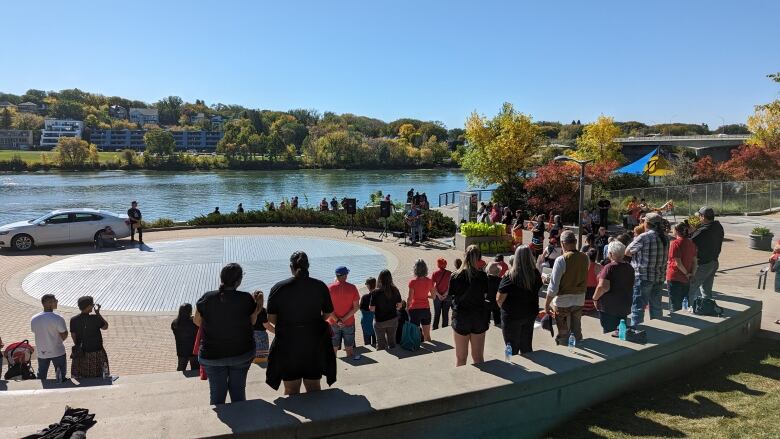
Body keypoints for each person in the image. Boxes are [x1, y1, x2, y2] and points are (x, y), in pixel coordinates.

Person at [266, 252, 336, 395]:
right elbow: (328, 314)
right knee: (314, 387)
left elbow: (272, 318)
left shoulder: (279, 288)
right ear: (308, 266)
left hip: (288, 344)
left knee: (291, 389)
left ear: (291, 267)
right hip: (313, 342)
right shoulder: (320, 286)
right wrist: (315, 322)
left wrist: (288, 324)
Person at [194, 264, 263, 404]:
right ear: (239, 281)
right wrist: (258, 306)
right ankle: (242, 421)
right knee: (238, 392)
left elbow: (197, 322)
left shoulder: (207, 298)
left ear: (221, 278)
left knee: (217, 395)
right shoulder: (246, 299)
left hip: (211, 355)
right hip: (241, 353)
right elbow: (252, 322)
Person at [544, 231, 589, 345]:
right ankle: (579, 346)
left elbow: (553, 287)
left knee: (564, 333)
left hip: (563, 301)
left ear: (563, 243)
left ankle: (566, 351)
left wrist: (546, 304)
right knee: (576, 329)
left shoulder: (561, 260)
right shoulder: (585, 257)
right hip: (579, 298)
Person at [625, 212, 669, 327]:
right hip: (659, 277)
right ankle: (658, 329)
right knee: (656, 307)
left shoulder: (644, 237)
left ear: (647, 223)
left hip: (643, 277)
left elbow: (627, 251)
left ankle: (636, 331)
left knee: (638, 308)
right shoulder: (665, 237)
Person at [497, 245, 542, 355]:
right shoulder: (535, 273)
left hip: (512, 316)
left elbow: (499, 299)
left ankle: (513, 369)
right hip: (530, 314)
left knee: (511, 348)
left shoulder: (510, 276)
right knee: (526, 346)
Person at [449, 245, 489, 366]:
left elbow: (451, 296)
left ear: (464, 256)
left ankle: (461, 384)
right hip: (478, 317)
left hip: (461, 318)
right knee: (478, 357)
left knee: (461, 358)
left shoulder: (455, 276)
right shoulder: (482, 276)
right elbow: (485, 295)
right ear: (479, 259)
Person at [593, 241, 635, 332]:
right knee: (620, 331)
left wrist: (595, 298)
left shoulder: (609, 268)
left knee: (609, 332)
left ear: (611, 254)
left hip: (609, 307)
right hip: (624, 306)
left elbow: (603, 287)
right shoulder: (630, 268)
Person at [689, 206, 725, 302]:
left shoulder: (703, 231)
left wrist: (692, 228)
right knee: (706, 291)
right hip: (713, 261)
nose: (698, 218)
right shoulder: (718, 226)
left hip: (703, 264)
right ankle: (707, 308)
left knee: (690, 289)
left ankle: (689, 311)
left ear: (703, 216)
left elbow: (689, 242)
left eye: (699, 216)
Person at [70, 296, 109, 379]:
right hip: (96, 351)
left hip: (82, 352)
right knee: (99, 376)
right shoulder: (95, 318)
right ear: (88, 307)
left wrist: (79, 345)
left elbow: (73, 335)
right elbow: (105, 326)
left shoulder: (73, 320)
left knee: (82, 376)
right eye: (92, 304)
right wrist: (98, 313)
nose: (93, 306)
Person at [31, 294, 68, 381]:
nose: (57, 302)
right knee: (61, 378)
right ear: (48, 303)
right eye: (55, 301)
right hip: (58, 351)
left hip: (42, 352)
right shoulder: (58, 318)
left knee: (41, 376)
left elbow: (34, 331)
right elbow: (64, 336)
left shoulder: (34, 318)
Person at [327, 266, 361, 360]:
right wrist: (343, 319)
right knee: (349, 348)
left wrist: (337, 320)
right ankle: (350, 362)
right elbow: (356, 307)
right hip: (349, 322)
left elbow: (327, 309)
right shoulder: (352, 288)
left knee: (333, 348)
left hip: (333, 322)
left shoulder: (329, 288)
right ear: (345, 276)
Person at [667, 222, 697, 311]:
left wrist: (687, 273)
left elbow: (678, 263)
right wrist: (692, 274)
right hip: (686, 278)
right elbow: (695, 261)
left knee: (674, 303)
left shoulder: (675, 243)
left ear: (676, 231)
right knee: (685, 302)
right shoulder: (691, 243)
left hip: (675, 276)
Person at [370, 269, 403, 350]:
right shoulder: (395, 290)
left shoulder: (375, 292)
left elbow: (372, 309)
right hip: (392, 319)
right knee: (392, 342)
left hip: (379, 321)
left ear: (380, 279)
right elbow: (399, 306)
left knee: (380, 343)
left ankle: (383, 360)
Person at [407, 259, 435, 342]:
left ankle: (417, 351)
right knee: (427, 335)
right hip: (426, 309)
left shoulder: (412, 282)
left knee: (414, 335)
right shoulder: (430, 281)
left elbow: (410, 299)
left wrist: (407, 308)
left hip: (414, 310)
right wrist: (425, 295)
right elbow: (433, 296)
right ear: (425, 269)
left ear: (415, 269)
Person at [171, 303, 200, 371]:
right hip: (193, 350)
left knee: (181, 368)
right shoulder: (194, 323)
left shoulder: (175, 323)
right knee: (195, 370)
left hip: (181, 351)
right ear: (190, 312)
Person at [431, 258, 452, 330]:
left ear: (438, 265)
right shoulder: (450, 273)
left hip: (437, 297)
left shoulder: (435, 273)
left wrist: (439, 295)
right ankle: (444, 330)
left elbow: (432, 286)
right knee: (445, 314)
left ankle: (435, 330)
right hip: (447, 296)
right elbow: (451, 286)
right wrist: (446, 294)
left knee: (437, 314)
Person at [359, 278, 377, 346]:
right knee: (377, 342)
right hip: (376, 320)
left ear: (368, 286)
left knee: (367, 343)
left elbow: (361, 308)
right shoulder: (379, 296)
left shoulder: (365, 297)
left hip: (366, 321)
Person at [583, 248, 601, 313]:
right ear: (596, 256)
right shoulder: (599, 267)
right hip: (593, 299)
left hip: (582, 298)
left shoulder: (583, 266)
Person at [486, 262, 502, 327]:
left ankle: (486, 322)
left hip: (487, 299)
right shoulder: (500, 280)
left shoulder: (485, 279)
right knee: (497, 312)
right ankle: (497, 322)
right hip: (496, 299)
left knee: (487, 312)